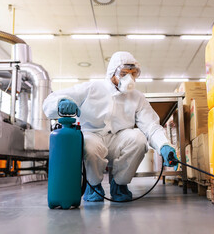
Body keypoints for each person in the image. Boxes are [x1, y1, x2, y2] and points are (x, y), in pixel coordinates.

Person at [43, 51, 177, 202]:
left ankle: (119, 185)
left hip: (118, 138)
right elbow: (50, 100)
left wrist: (164, 145)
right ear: (112, 73)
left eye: (133, 73)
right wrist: (60, 103)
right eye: (124, 73)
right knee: (89, 146)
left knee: (139, 139)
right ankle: (93, 186)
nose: (129, 78)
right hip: (92, 135)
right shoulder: (91, 88)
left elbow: (151, 125)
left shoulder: (137, 97)